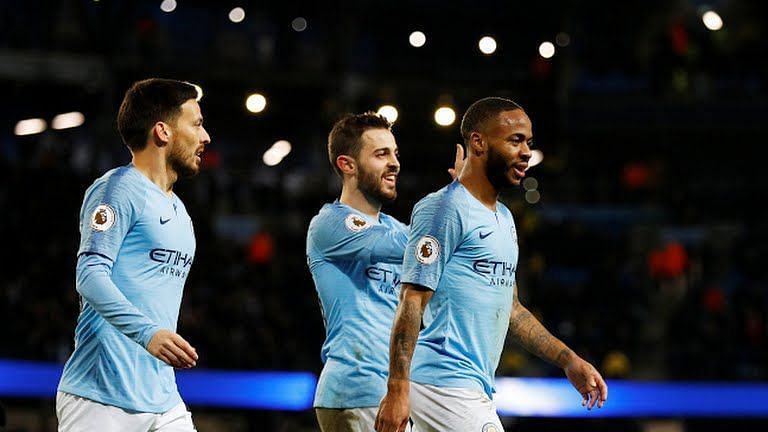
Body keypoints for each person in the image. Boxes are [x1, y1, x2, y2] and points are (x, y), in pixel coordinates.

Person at [375, 97, 608, 432]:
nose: (526, 151)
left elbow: (511, 309)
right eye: (515, 140)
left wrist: (568, 359)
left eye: (529, 142)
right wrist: (397, 388)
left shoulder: (505, 218)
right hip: (445, 386)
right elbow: (412, 299)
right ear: (478, 142)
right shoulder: (444, 208)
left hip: (472, 387)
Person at [56, 78, 211, 432]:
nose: (206, 138)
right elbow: (90, 275)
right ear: (163, 132)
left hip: (163, 398)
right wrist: (148, 333)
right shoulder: (118, 189)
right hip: (100, 397)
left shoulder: (180, 211)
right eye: (197, 124)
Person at [306, 112, 463, 432]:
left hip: (386, 391)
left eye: (395, 154)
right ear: (347, 165)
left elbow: (439, 258)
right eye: (381, 154)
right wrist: (461, 199)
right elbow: (424, 247)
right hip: (359, 391)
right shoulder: (331, 224)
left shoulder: (393, 227)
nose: (395, 163)